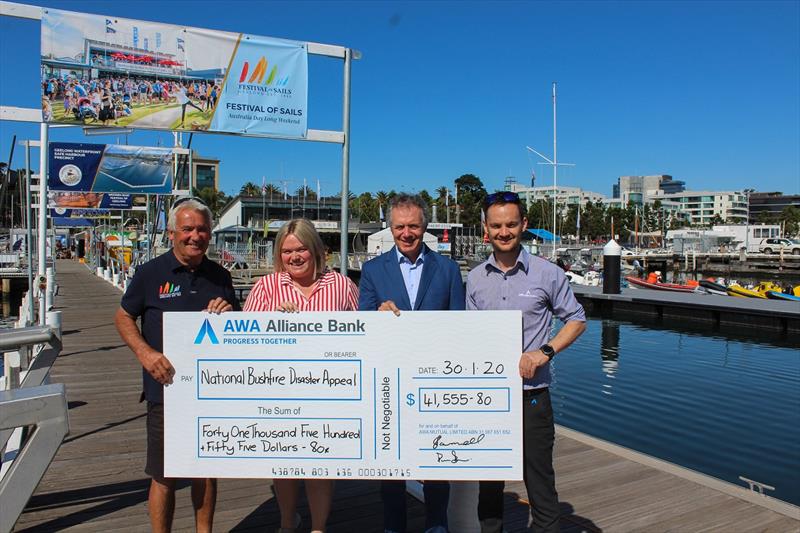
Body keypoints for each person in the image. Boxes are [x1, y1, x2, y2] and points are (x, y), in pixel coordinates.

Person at [115, 198, 240, 533]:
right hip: (165, 390)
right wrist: (145, 354)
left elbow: (239, 329)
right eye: (187, 229)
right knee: (164, 475)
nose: (195, 236)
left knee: (205, 470)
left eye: (202, 229)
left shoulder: (221, 276)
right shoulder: (149, 273)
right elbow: (124, 316)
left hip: (210, 392)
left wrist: (229, 315)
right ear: (172, 233)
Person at [467, 192, 586, 533]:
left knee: (540, 483)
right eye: (496, 225)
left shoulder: (548, 274)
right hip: (487, 398)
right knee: (488, 485)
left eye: (511, 224)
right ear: (485, 229)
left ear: (524, 225)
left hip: (532, 396)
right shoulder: (475, 278)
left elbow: (576, 320)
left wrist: (544, 352)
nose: (504, 232)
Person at [243, 219, 359, 533]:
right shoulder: (265, 287)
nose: (294, 256)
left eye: (301, 249)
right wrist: (273, 324)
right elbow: (243, 341)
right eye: (287, 250)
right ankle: (286, 521)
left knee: (320, 465)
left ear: (316, 250)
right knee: (284, 466)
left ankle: (318, 527)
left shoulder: (341, 286)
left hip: (328, 392)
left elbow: (364, 334)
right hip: (280, 392)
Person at [359, 194, 465, 533]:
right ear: (391, 228)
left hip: (436, 383)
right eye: (400, 226)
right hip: (390, 382)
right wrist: (375, 317)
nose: (407, 233)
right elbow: (362, 324)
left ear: (425, 227)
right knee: (391, 469)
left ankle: (438, 526)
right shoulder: (373, 271)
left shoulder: (448, 269)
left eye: (414, 226)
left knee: (436, 465)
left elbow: (459, 326)